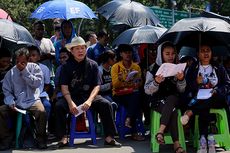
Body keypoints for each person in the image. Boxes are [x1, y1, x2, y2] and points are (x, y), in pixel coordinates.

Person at [55, 36, 121, 148]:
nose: (80, 51)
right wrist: (71, 103)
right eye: (77, 48)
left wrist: (89, 101)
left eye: (82, 48)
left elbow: (97, 86)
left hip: (90, 96)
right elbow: (64, 87)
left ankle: (109, 137)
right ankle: (63, 137)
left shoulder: (93, 65)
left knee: (106, 104)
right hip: (72, 96)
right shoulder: (66, 66)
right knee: (59, 106)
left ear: (86, 49)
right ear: (71, 51)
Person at [180, 43, 230, 152]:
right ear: (198, 54)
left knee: (207, 100)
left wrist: (217, 90)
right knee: (205, 105)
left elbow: (227, 85)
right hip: (198, 99)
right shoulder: (193, 68)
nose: (206, 53)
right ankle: (206, 138)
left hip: (216, 98)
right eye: (202, 51)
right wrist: (195, 83)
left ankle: (191, 112)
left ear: (212, 53)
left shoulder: (218, 67)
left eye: (208, 50)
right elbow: (187, 87)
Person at [0, 47, 47, 150]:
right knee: (2, 110)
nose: (19, 64)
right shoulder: (10, 73)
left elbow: (37, 83)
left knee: (42, 111)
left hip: (32, 100)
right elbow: (7, 91)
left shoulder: (35, 68)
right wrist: (10, 102)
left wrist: (25, 72)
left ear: (28, 59)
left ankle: (41, 139)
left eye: (23, 62)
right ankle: (6, 140)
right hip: (17, 102)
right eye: (17, 61)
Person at [144, 41, 186, 153]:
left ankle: (160, 131)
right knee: (173, 111)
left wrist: (181, 79)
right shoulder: (153, 69)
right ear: (161, 54)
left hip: (175, 99)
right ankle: (177, 145)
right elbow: (147, 90)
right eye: (167, 54)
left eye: (173, 53)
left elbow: (182, 89)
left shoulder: (178, 68)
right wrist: (156, 82)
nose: (171, 56)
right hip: (158, 100)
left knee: (172, 98)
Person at [111, 44, 145, 141]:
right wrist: (121, 80)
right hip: (119, 94)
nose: (128, 54)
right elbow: (115, 85)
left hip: (132, 93)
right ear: (121, 54)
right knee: (135, 101)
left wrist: (137, 81)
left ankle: (129, 118)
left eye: (129, 52)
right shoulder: (115, 67)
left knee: (135, 97)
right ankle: (134, 132)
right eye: (125, 52)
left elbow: (140, 84)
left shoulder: (136, 67)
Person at [28, 46, 51, 120]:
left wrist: (42, 92)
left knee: (47, 106)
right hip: (27, 96)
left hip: (41, 95)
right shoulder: (23, 68)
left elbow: (47, 84)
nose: (31, 58)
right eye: (29, 56)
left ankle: (42, 126)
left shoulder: (44, 68)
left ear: (39, 57)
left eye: (34, 55)